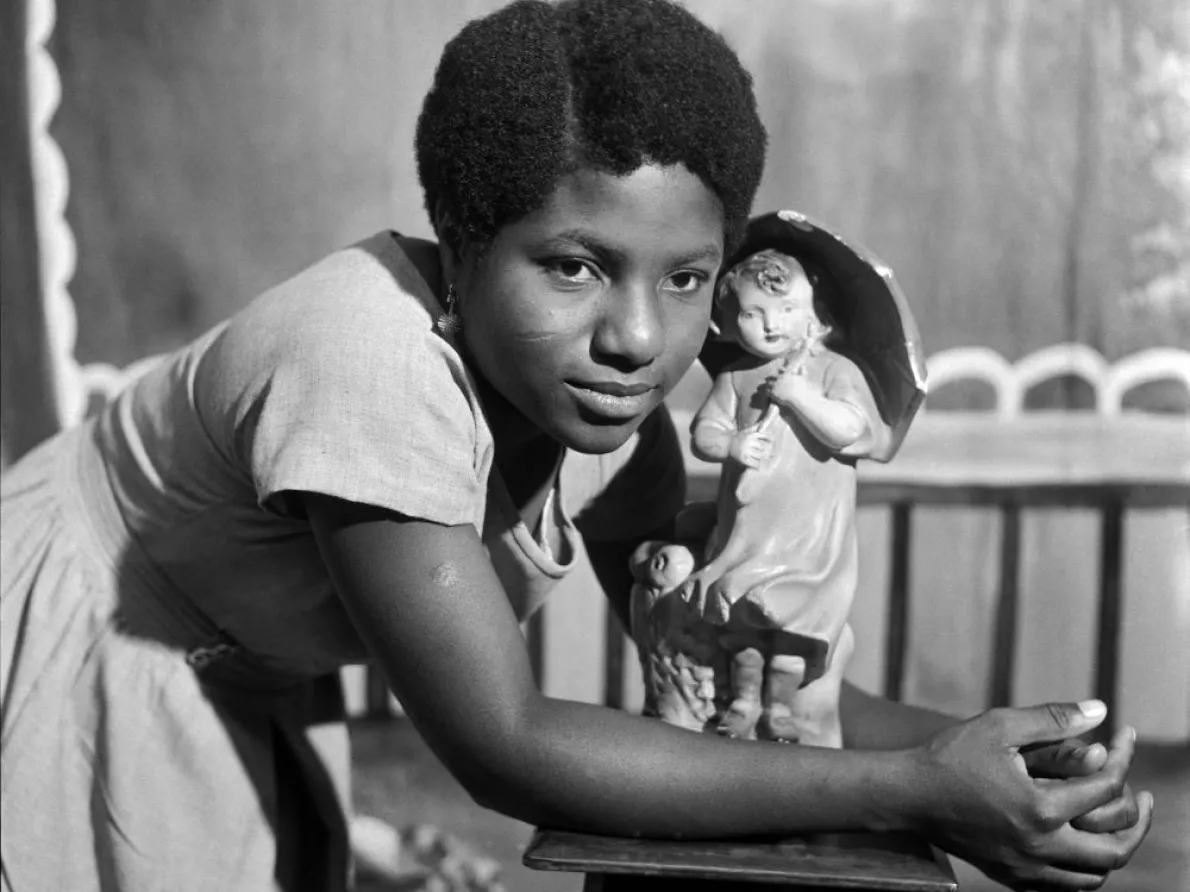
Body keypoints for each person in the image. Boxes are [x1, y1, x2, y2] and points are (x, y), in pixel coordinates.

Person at [0, 1, 1152, 890]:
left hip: (241, 669)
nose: (638, 340)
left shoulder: (608, 427)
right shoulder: (366, 363)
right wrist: (915, 793)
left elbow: (723, 670)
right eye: (572, 265)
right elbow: (505, 744)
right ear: (458, 252)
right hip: (85, 639)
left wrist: (990, 757)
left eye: (687, 277)